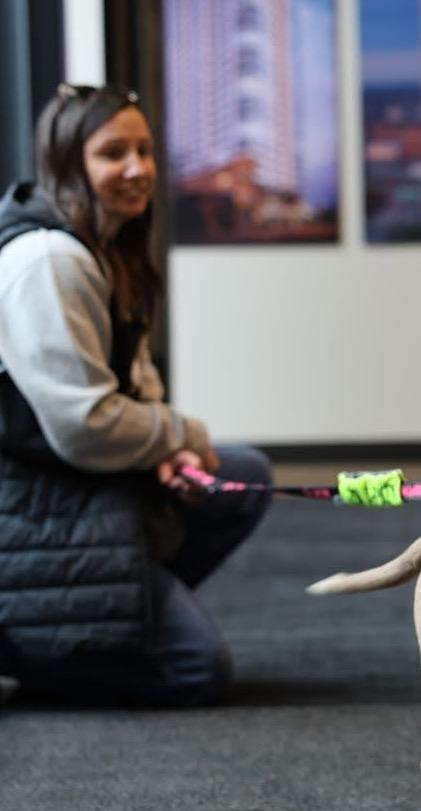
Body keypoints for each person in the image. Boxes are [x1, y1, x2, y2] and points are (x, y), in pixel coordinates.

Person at [0, 84, 271, 706]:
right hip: (33, 503)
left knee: (240, 475)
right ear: (70, 163)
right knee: (196, 670)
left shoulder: (107, 245)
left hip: (81, 482)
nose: (136, 169)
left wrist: (166, 452)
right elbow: (86, 425)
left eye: (145, 151)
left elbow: (135, 378)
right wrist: (182, 435)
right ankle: (32, 648)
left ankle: (107, 616)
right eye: (113, 153)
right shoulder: (48, 259)